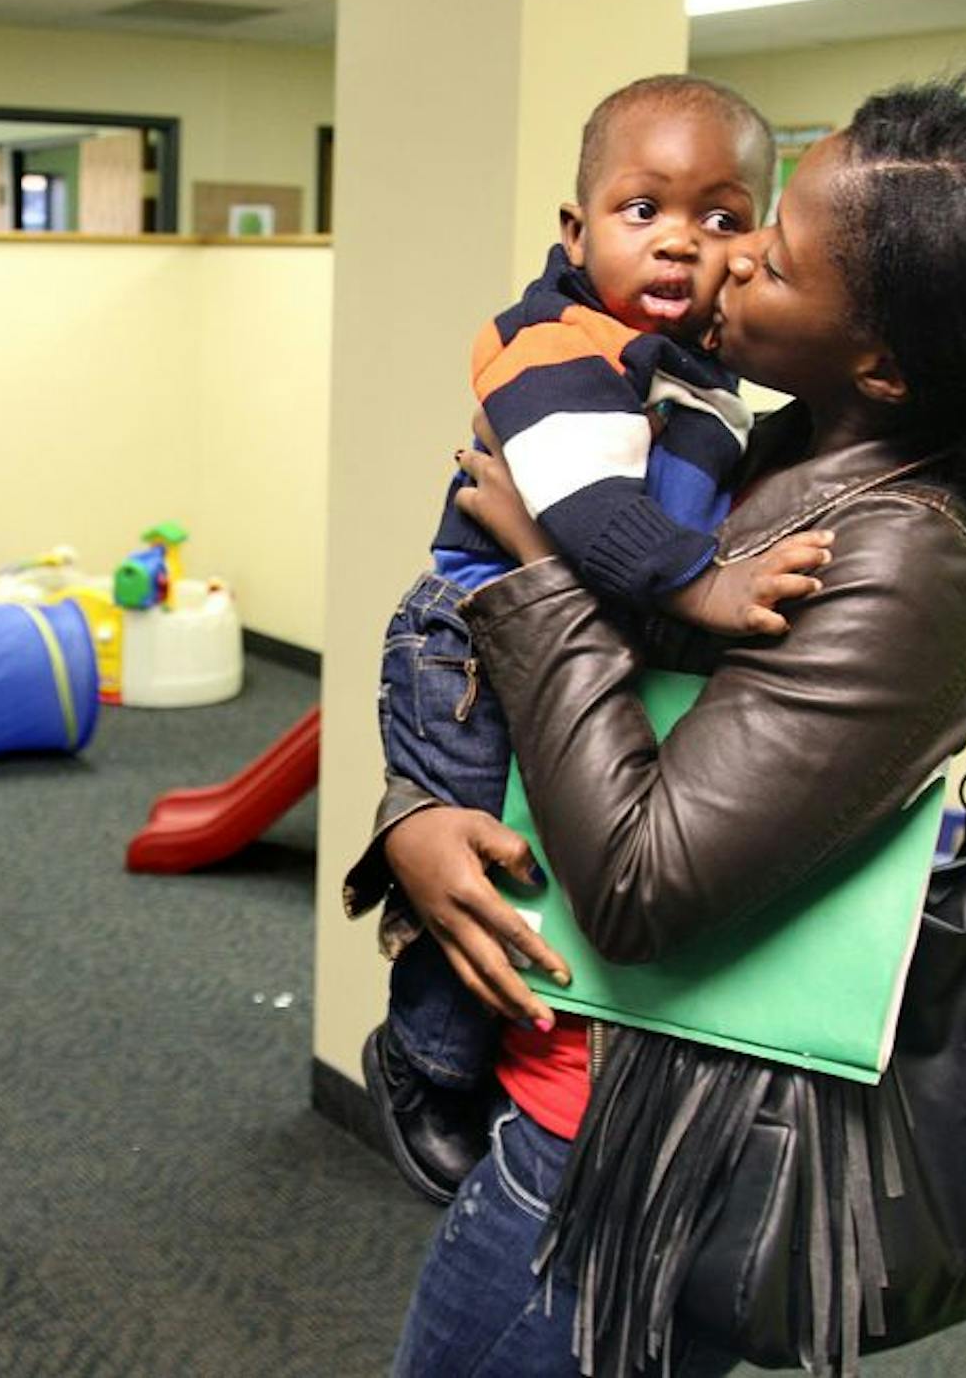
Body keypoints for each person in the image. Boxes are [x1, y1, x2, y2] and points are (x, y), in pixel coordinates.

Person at [346, 72, 966, 1376]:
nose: (724, 263)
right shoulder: (761, 438)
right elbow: (593, 700)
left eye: (772, 256)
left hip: (617, 1164)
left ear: (887, 363)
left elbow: (639, 879)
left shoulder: (904, 562)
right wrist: (416, 815)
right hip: (567, 1082)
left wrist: (538, 576)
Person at [365, 75, 828, 1203]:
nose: (681, 243)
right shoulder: (554, 342)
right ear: (577, 232)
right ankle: (422, 1055)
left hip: (561, 636)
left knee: (526, 855)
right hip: (468, 643)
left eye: (722, 219)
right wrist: (705, 589)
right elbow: (578, 510)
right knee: (479, 863)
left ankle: (468, 1052)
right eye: (642, 211)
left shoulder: (704, 373)